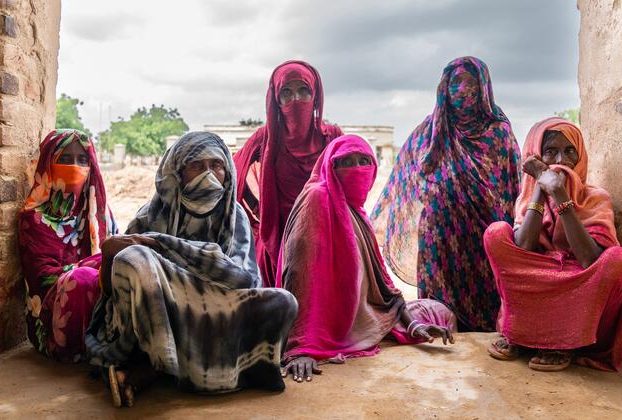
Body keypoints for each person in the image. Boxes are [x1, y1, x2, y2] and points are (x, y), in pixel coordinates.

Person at [86, 132, 298, 407]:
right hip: (165, 306)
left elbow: (242, 278)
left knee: (283, 301)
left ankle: (159, 369)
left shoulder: (234, 215)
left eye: (216, 165)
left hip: (216, 306)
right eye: (197, 166)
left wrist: (159, 243)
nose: (208, 174)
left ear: (227, 171)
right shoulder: (151, 215)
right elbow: (115, 282)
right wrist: (117, 253)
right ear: (178, 172)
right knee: (133, 256)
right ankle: (163, 363)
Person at [278, 134, 456, 382]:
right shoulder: (318, 198)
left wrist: (413, 325)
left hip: (361, 313)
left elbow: (384, 284)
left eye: (364, 161)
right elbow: (300, 274)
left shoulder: (356, 212)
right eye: (346, 162)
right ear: (331, 167)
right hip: (323, 325)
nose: (357, 169)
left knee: (440, 313)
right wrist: (301, 347)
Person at [371, 56, 521, 331]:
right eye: (456, 82)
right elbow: (404, 176)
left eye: (470, 82)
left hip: (481, 237)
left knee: (485, 312)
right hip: (438, 238)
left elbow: (512, 188)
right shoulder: (430, 131)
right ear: (444, 87)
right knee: (439, 313)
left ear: (484, 87)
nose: (462, 89)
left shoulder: (499, 133)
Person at [485, 117, 622, 372]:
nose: (561, 160)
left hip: (575, 279)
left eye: (570, 151)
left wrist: (560, 195)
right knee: (495, 233)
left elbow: (589, 259)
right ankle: (521, 333)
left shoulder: (596, 198)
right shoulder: (527, 199)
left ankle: (562, 342)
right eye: (550, 152)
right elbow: (524, 248)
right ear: (536, 157)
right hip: (535, 275)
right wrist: (540, 186)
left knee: (616, 258)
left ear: (580, 157)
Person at [233, 60, 343, 287]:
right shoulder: (265, 138)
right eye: (286, 92)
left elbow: (354, 180)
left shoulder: (332, 137)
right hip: (277, 240)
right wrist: (258, 210)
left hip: (326, 237)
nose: (296, 100)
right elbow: (232, 174)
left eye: (303, 91)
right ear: (276, 99)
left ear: (315, 96)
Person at [18, 129, 116, 362]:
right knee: (82, 278)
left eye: (83, 160)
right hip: (52, 320)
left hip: (100, 315)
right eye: (65, 159)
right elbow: (42, 278)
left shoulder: (97, 212)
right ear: (48, 162)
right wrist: (99, 262)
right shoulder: (34, 218)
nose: (75, 167)